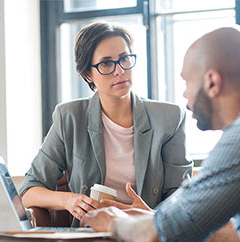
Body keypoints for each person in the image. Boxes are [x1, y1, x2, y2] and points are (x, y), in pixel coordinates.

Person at [81, 25, 240, 242]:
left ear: (212, 82)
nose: (184, 95)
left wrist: (111, 222)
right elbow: (238, 233)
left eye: (187, 82)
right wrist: (156, 219)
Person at [19, 22, 193, 226]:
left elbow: (182, 197)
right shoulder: (70, 117)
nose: (119, 70)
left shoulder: (169, 118)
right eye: (106, 63)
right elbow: (28, 191)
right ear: (87, 74)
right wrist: (68, 200)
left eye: (124, 59)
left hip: (152, 233)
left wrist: (148, 215)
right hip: (93, 237)